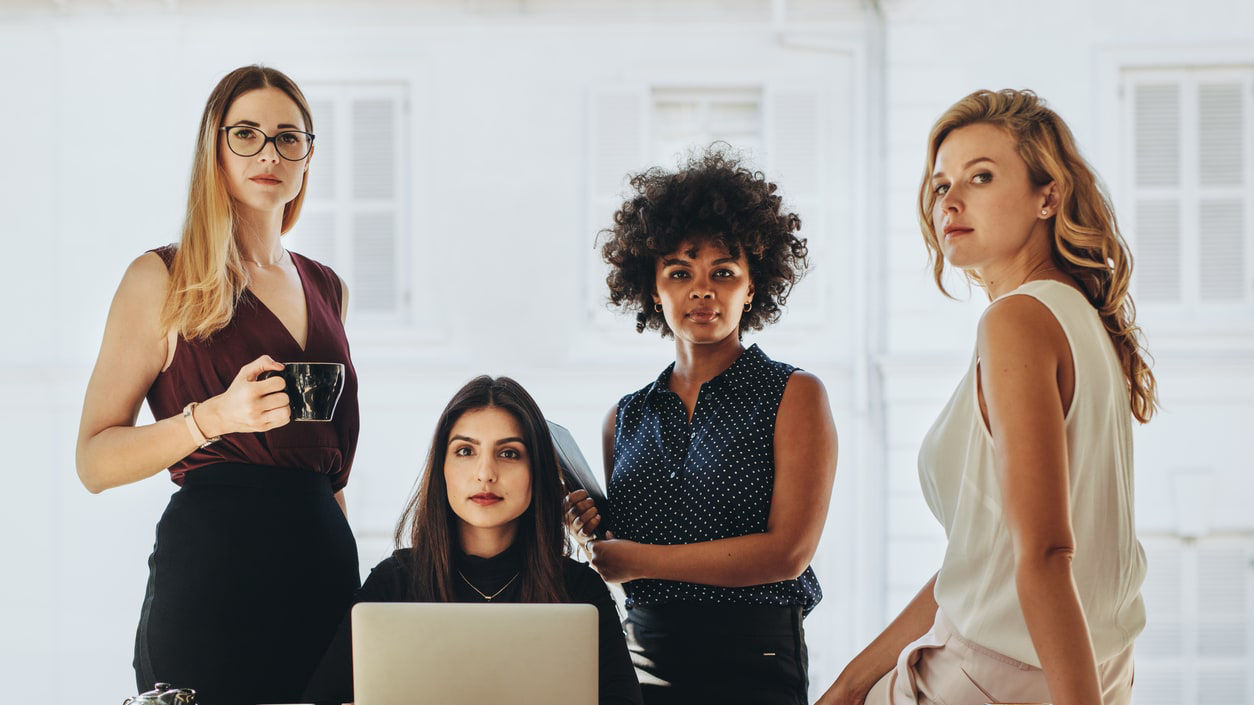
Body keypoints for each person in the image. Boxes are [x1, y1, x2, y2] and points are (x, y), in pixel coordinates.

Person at [817, 89, 1154, 705]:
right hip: (1089, 669)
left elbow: (1047, 552)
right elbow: (983, 562)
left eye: (981, 176)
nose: (951, 200)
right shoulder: (1081, 320)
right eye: (942, 185)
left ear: (1047, 196)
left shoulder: (1017, 322)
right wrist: (850, 684)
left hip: (992, 677)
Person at [75, 65, 360, 705]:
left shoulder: (327, 287)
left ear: (309, 155)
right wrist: (211, 419)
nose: (270, 153)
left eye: (290, 137)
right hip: (213, 583)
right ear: (216, 148)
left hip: (323, 580)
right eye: (248, 135)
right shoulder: (161, 278)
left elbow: (330, 469)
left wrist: (351, 578)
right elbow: (93, 461)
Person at [566, 147, 839, 705]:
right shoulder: (625, 417)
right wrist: (591, 529)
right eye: (679, 273)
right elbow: (623, 546)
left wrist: (634, 559)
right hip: (641, 658)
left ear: (753, 285)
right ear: (652, 288)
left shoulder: (794, 395)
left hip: (755, 661)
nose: (702, 289)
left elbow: (788, 553)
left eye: (724, 272)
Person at [302, 375, 643, 705]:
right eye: (465, 451)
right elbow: (323, 700)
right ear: (442, 469)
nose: (485, 473)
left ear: (536, 471)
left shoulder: (580, 589)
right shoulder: (393, 583)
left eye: (509, 453)